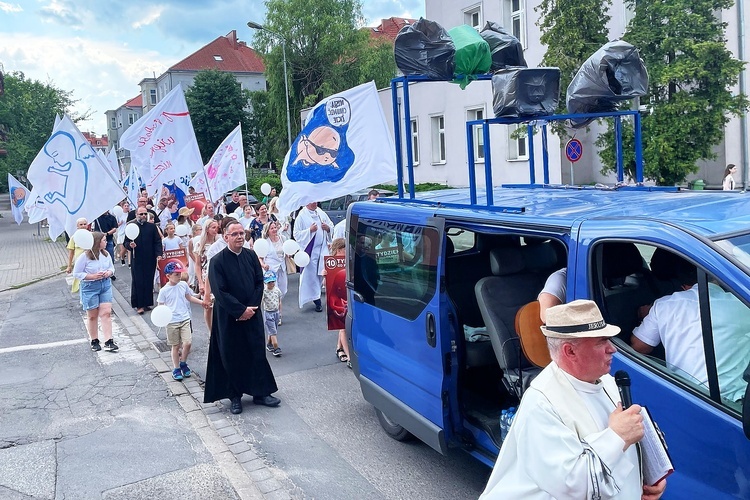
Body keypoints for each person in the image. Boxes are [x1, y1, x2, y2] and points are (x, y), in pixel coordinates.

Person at [480, 300, 666, 499]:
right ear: (570, 351)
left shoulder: (607, 381)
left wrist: (651, 476)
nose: (613, 349)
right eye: (602, 341)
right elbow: (572, 488)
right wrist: (616, 436)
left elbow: (633, 433)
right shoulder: (542, 403)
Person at [203, 220, 281, 414]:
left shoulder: (251, 255)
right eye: (235, 234)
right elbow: (220, 291)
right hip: (229, 316)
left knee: (255, 350)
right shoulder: (217, 261)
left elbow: (258, 282)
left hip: (252, 312)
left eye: (241, 233)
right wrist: (239, 310)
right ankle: (235, 396)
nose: (239, 236)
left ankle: (261, 392)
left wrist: (251, 308)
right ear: (226, 237)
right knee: (232, 353)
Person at [157, 262, 206, 381]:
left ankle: (183, 362)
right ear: (168, 276)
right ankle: (176, 368)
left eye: (179, 274)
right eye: (176, 275)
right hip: (172, 321)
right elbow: (160, 306)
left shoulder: (183, 285)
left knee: (187, 342)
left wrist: (202, 303)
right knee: (175, 346)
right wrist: (162, 319)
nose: (179, 277)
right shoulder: (164, 291)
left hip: (184, 318)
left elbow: (189, 297)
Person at [73, 232, 119, 352]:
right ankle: (94, 340)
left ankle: (109, 340)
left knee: (106, 312)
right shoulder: (85, 256)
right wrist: (92, 276)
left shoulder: (106, 254)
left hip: (105, 284)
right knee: (92, 315)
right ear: (97, 242)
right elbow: (77, 273)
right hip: (90, 287)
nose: (106, 242)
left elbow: (111, 267)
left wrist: (109, 272)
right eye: (104, 240)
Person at [293, 202, 333, 311]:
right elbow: (296, 234)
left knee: (323, 274)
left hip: (323, 248)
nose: (315, 203)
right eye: (312, 201)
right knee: (311, 277)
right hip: (310, 251)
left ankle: (328, 297)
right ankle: (317, 300)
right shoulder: (301, 216)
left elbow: (331, 225)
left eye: (316, 201)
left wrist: (328, 228)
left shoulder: (321, 212)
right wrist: (309, 231)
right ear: (307, 203)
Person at [124, 206, 163, 314]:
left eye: (145, 214)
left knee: (148, 280)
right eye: (141, 214)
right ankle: (139, 305)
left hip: (150, 258)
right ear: (136, 215)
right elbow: (125, 242)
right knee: (138, 281)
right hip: (137, 258)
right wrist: (130, 245)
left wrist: (158, 254)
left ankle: (146, 303)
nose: (143, 216)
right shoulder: (131, 227)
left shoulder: (152, 227)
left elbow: (157, 241)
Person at [327, 238, 349, 366]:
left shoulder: (347, 262)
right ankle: (349, 356)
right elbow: (327, 284)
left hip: (346, 296)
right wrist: (325, 275)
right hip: (337, 299)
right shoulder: (330, 263)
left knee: (341, 326)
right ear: (340, 249)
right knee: (342, 327)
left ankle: (339, 348)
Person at [196, 219, 221, 330]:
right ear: (207, 229)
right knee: (208, 306)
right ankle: (211, 331)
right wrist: (200, 282)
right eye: (213, 227)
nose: (216, 230)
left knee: (219, 304)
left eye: (217, 227)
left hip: (218, 275)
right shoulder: (200, 244)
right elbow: (198, 265)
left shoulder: (219, 242)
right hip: (206, 275)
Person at [258, 220, 289, 297]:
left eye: (275, 227)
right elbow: (260, 258)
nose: (274, 229)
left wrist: (289, 254)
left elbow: (286, 250)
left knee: (283, 290)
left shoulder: (283, 238)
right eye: (272, 228)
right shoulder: (265, 242)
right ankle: (275, 308)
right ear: (267, 231)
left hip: (282, 267)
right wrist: (263, 265)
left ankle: (278, 305)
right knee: (273, 291)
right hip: (270, 269)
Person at [262, 270, 284, 357]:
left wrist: (280, 312)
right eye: (269, 282)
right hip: (268, 313)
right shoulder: (264, 291)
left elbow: (279, 301)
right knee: (273, 331)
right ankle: (276, 348)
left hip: (276, 313)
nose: (272, 284)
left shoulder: (277, 290)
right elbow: (261, 301)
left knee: (272, 330)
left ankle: (269, 344)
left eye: (273, 282)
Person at [66, 218, 90, 294]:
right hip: (79, 263)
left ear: (87, 225)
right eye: (81, 224)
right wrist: (69, 266)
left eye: (84, 224)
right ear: (77, 226)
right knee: (80, 281)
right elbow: (71, 253)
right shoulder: (74, 237)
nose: (83, 226)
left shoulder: (91, 235)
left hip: (90, 262)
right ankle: (82, 299)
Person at [115, 201, 130, 267]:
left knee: (129, 248)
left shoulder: (130, 214)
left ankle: (129, 263)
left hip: (128, 233)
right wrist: (120, 223)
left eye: (127, 206)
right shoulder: (119, 215)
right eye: (125, 206)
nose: (126, 207)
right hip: (121, 233)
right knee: (123, 249)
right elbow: (115, 225)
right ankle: (122, 257)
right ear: (122, 207)